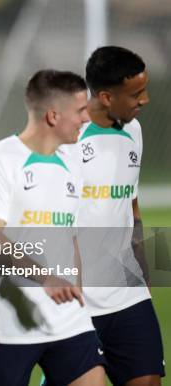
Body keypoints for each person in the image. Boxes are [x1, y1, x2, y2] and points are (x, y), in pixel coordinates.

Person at [0, 70, 105, 386]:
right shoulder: (0, 160)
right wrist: (45, 277)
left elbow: (71, 235)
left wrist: (80, 292)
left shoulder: (73, 164)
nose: (87, 119)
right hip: (12, 321)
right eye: (81, 111)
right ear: (54, 115)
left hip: (69, 319)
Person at [75, 45, 164, 386]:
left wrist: (145, 271)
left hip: (128, 292)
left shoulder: (134, 131)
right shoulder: (66, 138)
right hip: (77, 297)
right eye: (136, 93)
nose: (145, 100)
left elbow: (131, 203)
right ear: (106, 97)